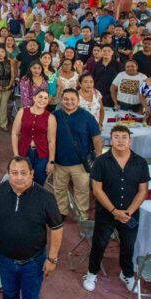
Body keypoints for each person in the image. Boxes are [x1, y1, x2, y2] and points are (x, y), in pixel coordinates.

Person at [0, 157, 63, 299]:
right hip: (6, 259)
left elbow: (57, 228)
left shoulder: (45, 197)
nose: (19, 177)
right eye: (14, 173)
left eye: (23, 173)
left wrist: (52, 259)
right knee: (9, 295)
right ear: (8, 174)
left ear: (32, 174)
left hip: (33, 261)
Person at [83, 125, 150, 293]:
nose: (120, 140)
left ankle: (127, 274)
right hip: (106, 212)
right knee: (99, 244)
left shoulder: (140, 162)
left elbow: (143, 191)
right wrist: (114, 211)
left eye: (124, 137)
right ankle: (92, 272)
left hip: (130, 213)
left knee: (128, 245)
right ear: (111, 140)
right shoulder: (101, 161)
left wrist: (129, 212)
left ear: (130, 140)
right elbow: (97, 190)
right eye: (117, 137)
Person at [52, 88, 103, 220]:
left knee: (82, 191)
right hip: (59, 162)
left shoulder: (87, 117)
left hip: (80, 163)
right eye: (66, 99)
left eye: (72, 99)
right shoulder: (55, 116)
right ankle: (61, 212)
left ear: (78, 101)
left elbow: (97, 138)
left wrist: (98, 158)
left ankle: (82, 215)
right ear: (61, 100)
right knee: (59, 189)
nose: (69, 102)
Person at [12, 90, 57, 187]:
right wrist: (15, 154)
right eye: (40, 97)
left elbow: (51, 141)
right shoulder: (22, 112)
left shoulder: (50, 117)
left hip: (42, 155)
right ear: (34, 98)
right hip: (24, 152)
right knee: (22, 179)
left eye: (45, 98)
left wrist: (51, 161)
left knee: (38, 182)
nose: (42, 100)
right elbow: (15, 133)